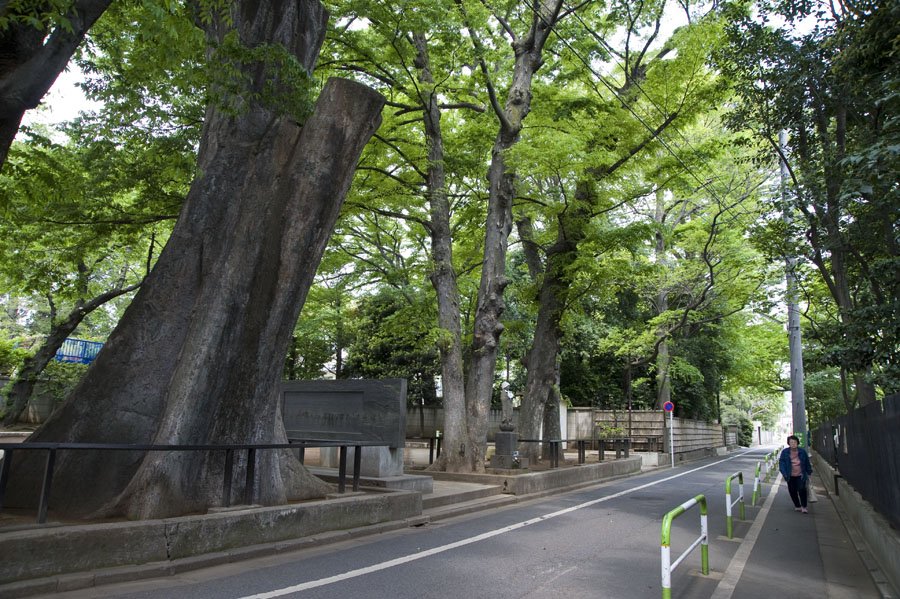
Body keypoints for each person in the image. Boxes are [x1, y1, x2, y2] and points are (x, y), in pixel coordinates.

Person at [779, 435, 813, 513]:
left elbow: (807, 462)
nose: (793, 444)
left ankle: (804, 506)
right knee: (792, 490)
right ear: (789, 443)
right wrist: (784, 472)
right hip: (789, 475)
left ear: (797, 443)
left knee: (802, 489)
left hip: (800, 474)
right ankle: (797, 505)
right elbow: (782, 463)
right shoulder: (785, 452)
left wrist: (809, 471)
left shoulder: (802, 452)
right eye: (791, 442)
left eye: (794, 442)